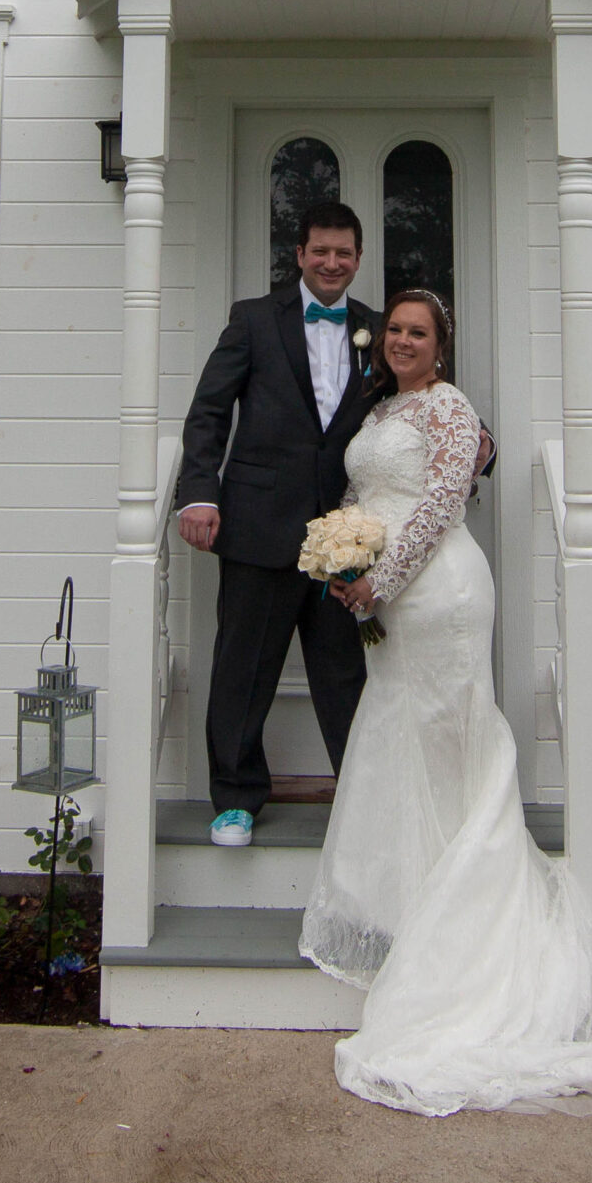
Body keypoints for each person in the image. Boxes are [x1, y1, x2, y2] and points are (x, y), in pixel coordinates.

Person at [301, 288, 592, 1116]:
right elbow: (372, 500)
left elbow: (439, 504)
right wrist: (345, 563)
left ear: (443, 344)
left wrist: (381, 580)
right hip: (389, 598)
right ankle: (420, 899)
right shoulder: (381, 405)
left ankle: (464, 919)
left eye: (419, 332)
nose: (404, 341)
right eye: (395, 330)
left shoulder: (449, 406)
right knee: (410, 741)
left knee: (445, 737)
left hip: (438, 591)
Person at [176, 203, 384, 847]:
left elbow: (416, 402)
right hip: (258, 526)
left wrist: (472, 441)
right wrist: (198, 494)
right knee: (244, 667)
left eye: (344, 253)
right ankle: (236, 798)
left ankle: (361, 800)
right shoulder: (252, 320)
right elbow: (209, 412)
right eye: (320, 251)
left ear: (357, 258)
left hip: (342, 540)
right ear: (299, 254)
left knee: (345, 675)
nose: (331, 263)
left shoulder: (378, 330)